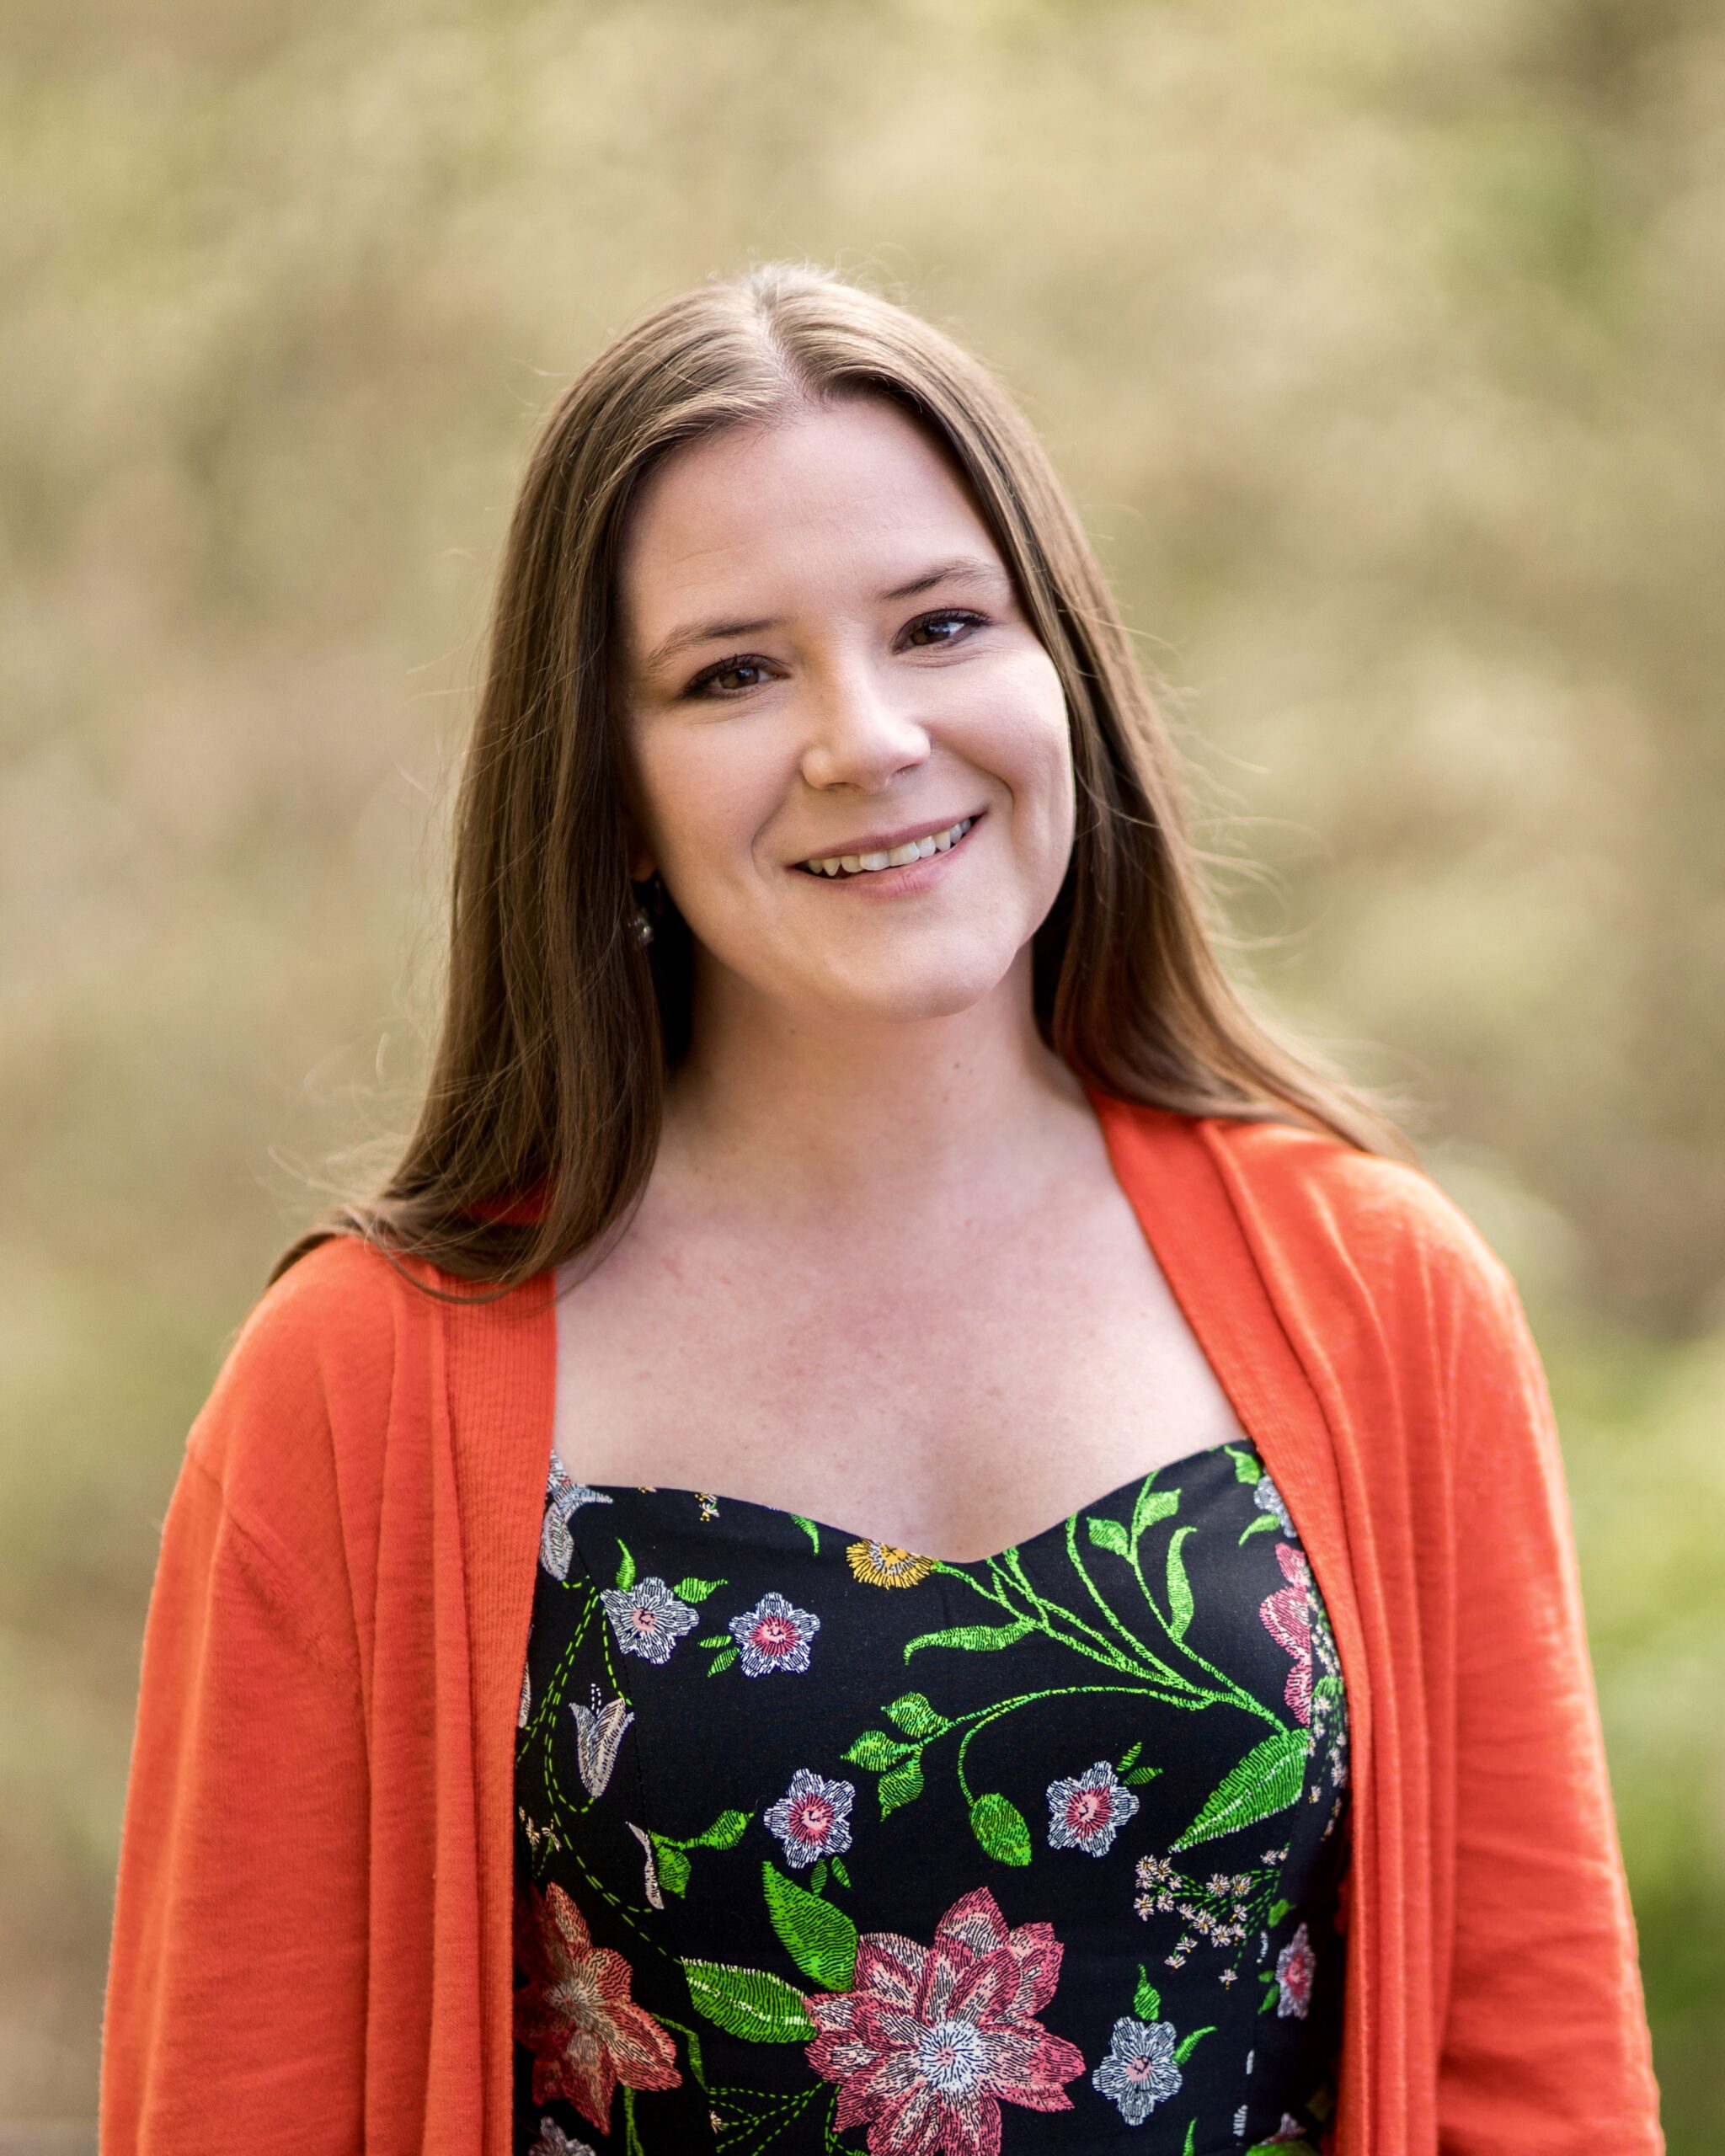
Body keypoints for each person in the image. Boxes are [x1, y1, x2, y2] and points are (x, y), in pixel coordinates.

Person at [99, 262, 1661, 2155]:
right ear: (603, 777)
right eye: (732, 671)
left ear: (1058, 667)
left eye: (938, 623)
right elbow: (235, 2101)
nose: (867, 734)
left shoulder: (1381, 1292)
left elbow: (1541, 2088)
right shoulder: (354, 1386)